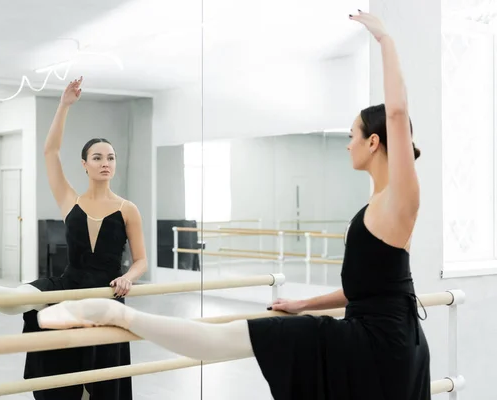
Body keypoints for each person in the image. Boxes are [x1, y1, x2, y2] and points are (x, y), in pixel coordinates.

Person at [35, 11, 430, 400]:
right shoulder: (376, 202)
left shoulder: (400, 199)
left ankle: (118, 315)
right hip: (376, 338)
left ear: (375, 143)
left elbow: (396, 113)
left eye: (352, 135)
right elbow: (366, 289)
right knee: (241, 336)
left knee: (234, 337)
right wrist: (302, 302)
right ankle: (116, 315)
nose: (347, 143)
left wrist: (384, 40)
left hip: (383, 341)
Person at [0, 77, 147, 400]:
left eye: (110, 157)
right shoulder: (70, 200)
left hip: (104, 295)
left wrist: (128, 277)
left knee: (97, 380)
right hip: (68, 284)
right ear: (84, 165)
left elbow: (141, 260)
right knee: (20, 300)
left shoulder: (128, 209)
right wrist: (64, 105)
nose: (105, 163)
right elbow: (50, 151)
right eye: (97, 157)